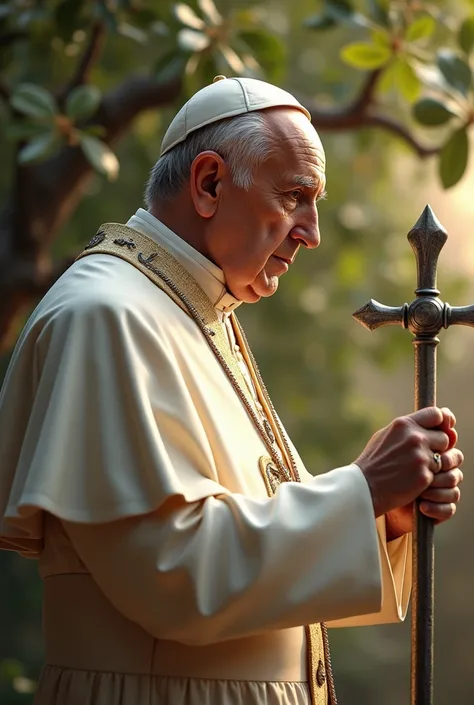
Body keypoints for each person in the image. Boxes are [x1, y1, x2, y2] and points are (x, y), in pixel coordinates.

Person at [0, 76, 463, 705]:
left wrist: (381, 518)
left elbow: (248, 552)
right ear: (210, 183)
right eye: (294, 196)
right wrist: (361, 488)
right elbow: (173, 575)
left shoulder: (195, 309)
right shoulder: (107, 315)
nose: (312, 231)